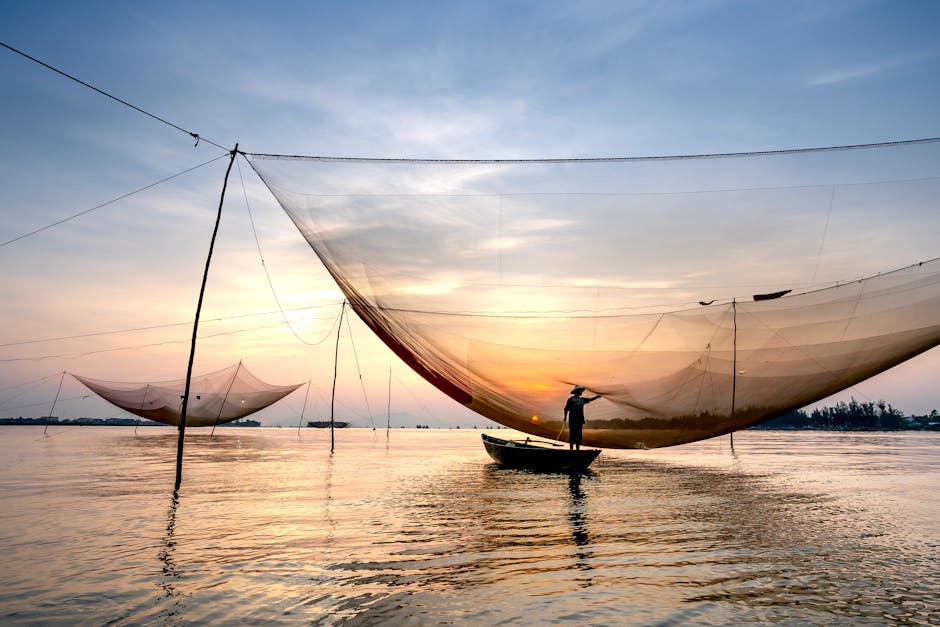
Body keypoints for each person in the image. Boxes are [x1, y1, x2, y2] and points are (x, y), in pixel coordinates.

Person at [563, 385, 601, 450]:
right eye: (580, 390)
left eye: (581, 390)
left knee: (578, 435)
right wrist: (565, 417)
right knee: (572, 434)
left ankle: (577, 449)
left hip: (579, 420)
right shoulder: (571, 400)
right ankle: (571, 450)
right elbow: (566, 409)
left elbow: (590, 399)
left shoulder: (582, 400)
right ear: (576, 391)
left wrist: (597, 397)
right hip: (572, 420)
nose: (581, 392)